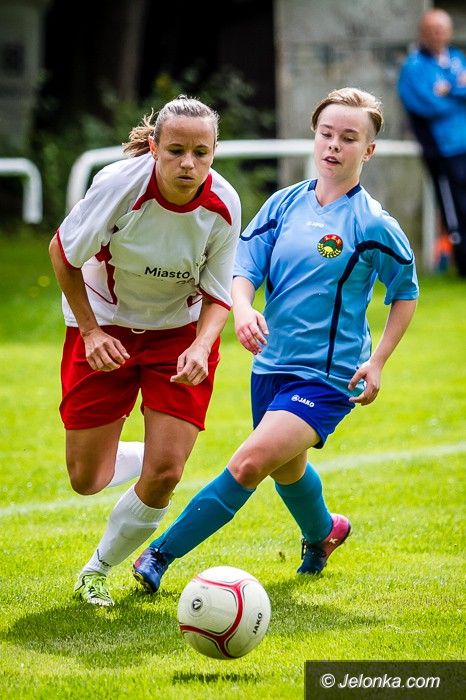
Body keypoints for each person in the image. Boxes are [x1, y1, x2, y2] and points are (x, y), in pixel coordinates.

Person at [132, 87, 419, 594]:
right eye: (326, 134)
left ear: (368, 150)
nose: (334, 145)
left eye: (349, 138)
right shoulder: (283, 204)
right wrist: (243, 310)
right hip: (270, 365)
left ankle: (158, 555)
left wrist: (377, 362)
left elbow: (406, 293)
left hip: (328, 376)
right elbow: (243, 268)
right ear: (314, 137)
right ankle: (324, 532)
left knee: (249, 463)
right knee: (287, 471)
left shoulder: (374, 224)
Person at [49, 95, 241, 607]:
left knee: (167, 472)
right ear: (154, 148)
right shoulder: (119, 186)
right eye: (176, 151)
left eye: (201, 153)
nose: (189, 164)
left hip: (178, 334)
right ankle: (136, 452)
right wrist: (91, 332)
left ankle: (97, 571)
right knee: (87, 479)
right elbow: (62, 254)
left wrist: (202, 345)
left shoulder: (224, 204)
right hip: (105, 325)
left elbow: (220, 291)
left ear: (214, 152)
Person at [397, 8, 466, 277]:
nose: (438, 34)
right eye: (432, 30)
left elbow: (451, 93)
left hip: (463, 145)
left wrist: (451, 90)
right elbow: (428, 105)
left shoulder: (457, 58)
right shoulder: (413, 67)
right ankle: (463, 262)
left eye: (442, 29)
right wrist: (458, 94)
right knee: (454, 204)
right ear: (423, 33)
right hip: (442, 150)